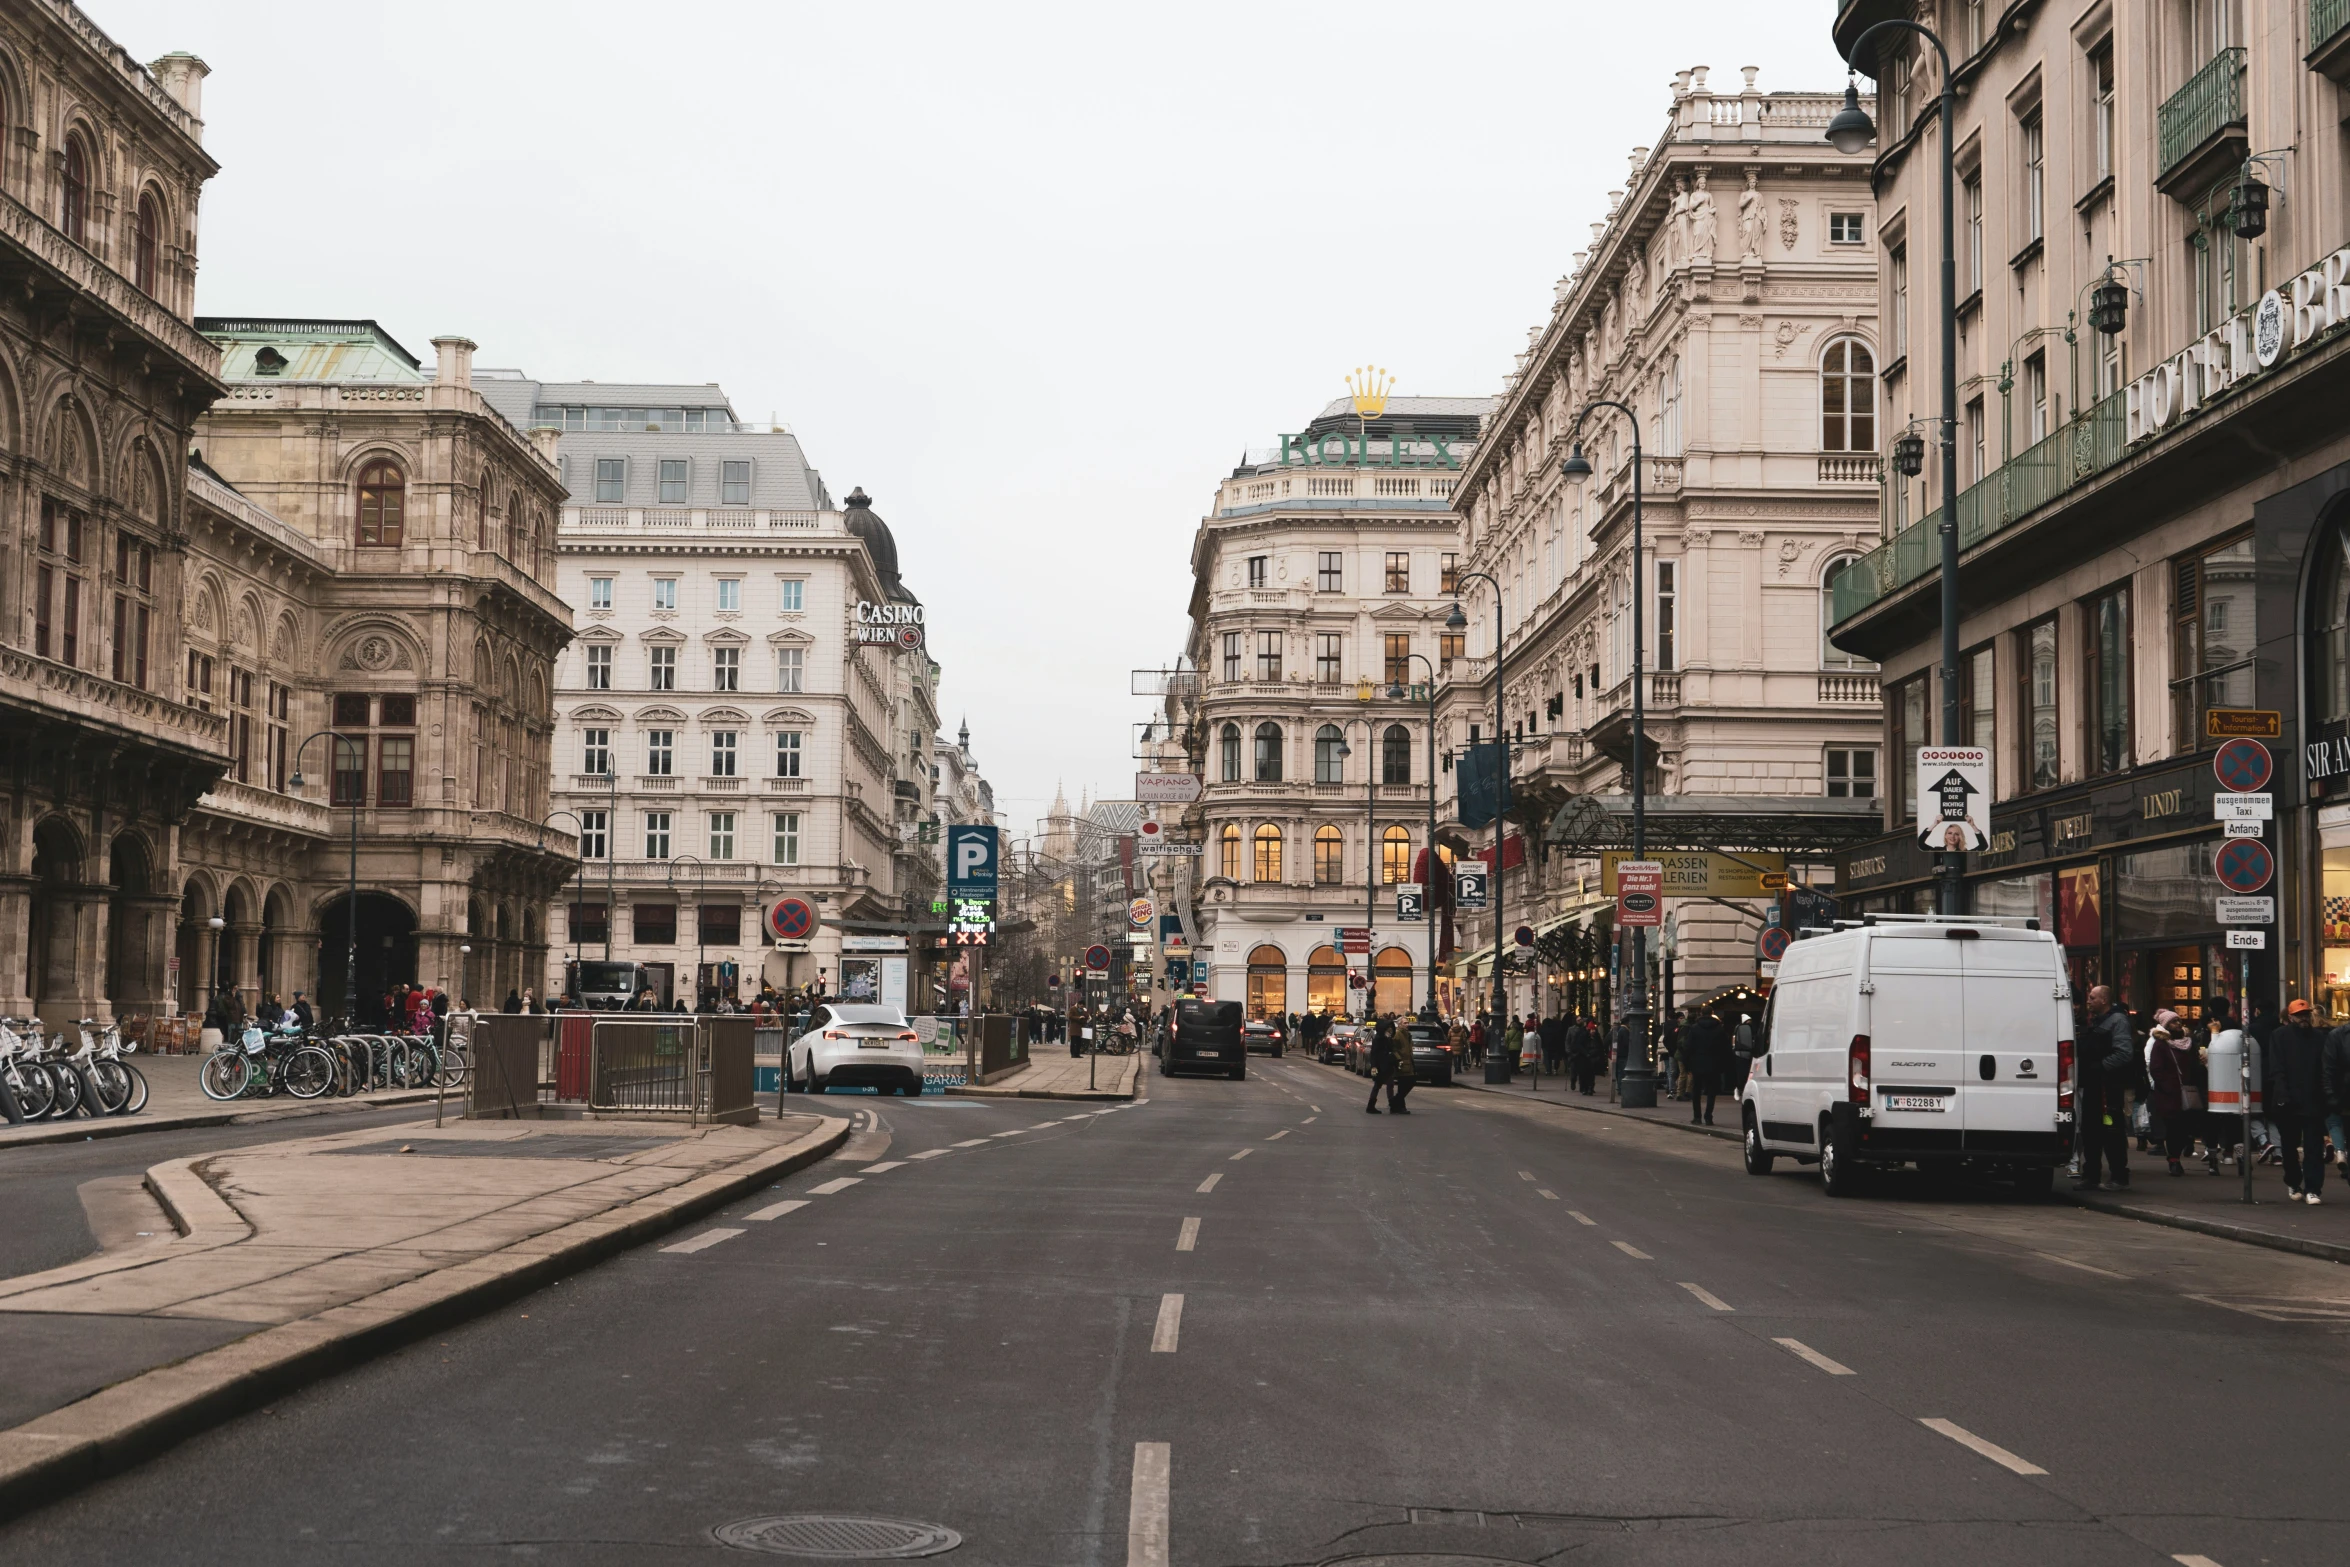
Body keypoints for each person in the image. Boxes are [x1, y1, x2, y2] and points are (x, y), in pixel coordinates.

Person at [2267, 998, 2330, 1203]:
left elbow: (2324, 1069)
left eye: (2306, 1014)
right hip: (2290, 1100)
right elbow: (2277, 1068)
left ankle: (2313, 1188)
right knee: (2289, 1146)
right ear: (2291, 1017)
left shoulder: (2319, 1038)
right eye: (2299, 1015)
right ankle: (2294, 1182)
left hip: (2312, 1099)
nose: (2304, 1018)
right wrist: (2282, 1093)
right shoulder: (2280, 1036)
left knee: (2313, 1147)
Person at [2075, 985, 2135, 1191]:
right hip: (2095, 1086)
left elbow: (2124, 1053)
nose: (2088, 1001)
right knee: (2091, 1129)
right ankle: (2091, 1175)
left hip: (2107, 1090)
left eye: (2092, 997)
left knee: (2111, 1128)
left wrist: (2100, 1068)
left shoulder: (2117, 1021)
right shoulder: (2099, 1021)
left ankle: (2118, 1176)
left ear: (2104, 1000)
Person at [2145, 1010, 2204, 1177]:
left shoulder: (2189, 1043)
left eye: (2178, 1020)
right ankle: (2174, 1160)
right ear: (2165, 1026)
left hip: (2189, 1091)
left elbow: (2195, 1066)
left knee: (2187, 1125)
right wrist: (2168, 1086)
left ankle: (2187, 1142)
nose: (2178, 1024)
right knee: (2173, 1128)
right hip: (2170, 1095)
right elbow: (2156, 1069)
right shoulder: (2161, 1044)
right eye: (2173, 1022)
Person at [1684, 1008, 1730, 1126]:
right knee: (1711, 1092)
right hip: (1714, 1064)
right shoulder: (1719, 1029)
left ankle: (1697, 1117)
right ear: (1712, 1014)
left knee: (1696, 1091)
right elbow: (1726, 1048)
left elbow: (1688, 1047)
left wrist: (1689, 1063)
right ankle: (1708, 1116)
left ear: (1701, 1014)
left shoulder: (1694, 1028)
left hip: (1697, 1063)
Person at [1366, 1018, 1397, 1113]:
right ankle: (1390, 1105)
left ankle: (1373, 1106)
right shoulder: (1379, 1039)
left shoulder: (1386, 1037)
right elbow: (1374, 1053)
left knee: (1386, 1084)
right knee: (1382, 1085)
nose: (1390, 1029)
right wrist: (1374, 1066)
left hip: (1386, 1065)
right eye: (1388, 1028)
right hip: (1381, 1065)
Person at [1387, 1016, 1416, 1113]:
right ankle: (1398, 1105)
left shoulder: (1407, 1034)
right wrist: (1399, 1059)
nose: (1407, 1024)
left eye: (1407, 1023)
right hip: (1402, 1062)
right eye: (1405, 1023)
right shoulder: (1398, 1034)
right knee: (1405, 1084)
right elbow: (1394, 1048)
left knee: (1407, 1083)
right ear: (1399, 1024)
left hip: (1408, 1062)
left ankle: (1396, 1104)